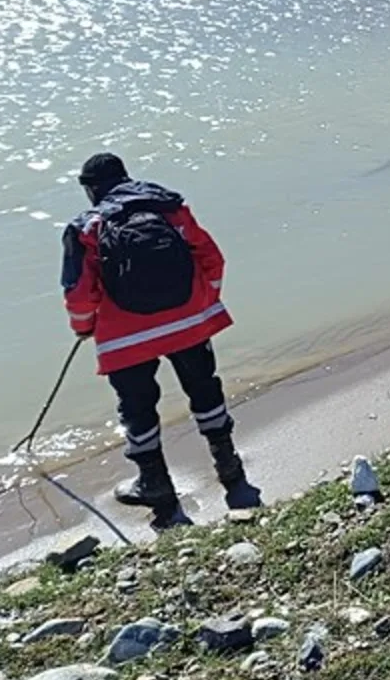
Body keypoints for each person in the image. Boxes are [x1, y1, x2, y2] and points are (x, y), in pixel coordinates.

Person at [62, 153, 259, 513]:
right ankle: (228, 464)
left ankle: (155, 484)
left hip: (126, 339)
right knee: (204, 388)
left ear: (90, 190)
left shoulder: (85, 229)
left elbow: (79, 294)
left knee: (137, 408)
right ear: (125, 176)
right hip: (188, 322)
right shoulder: (169, 208)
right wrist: (204, 302)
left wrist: (84, 329)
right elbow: (212, 258)